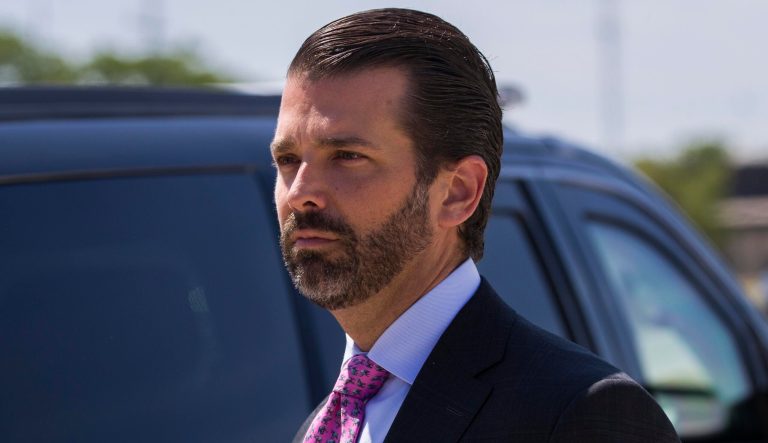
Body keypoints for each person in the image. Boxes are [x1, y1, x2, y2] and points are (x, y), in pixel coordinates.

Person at [271, 8, 680, 443]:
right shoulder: (326, 426)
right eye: (287, 160)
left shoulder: (580, 414)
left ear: (459, 192)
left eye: (348, 157)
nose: (299, 192)